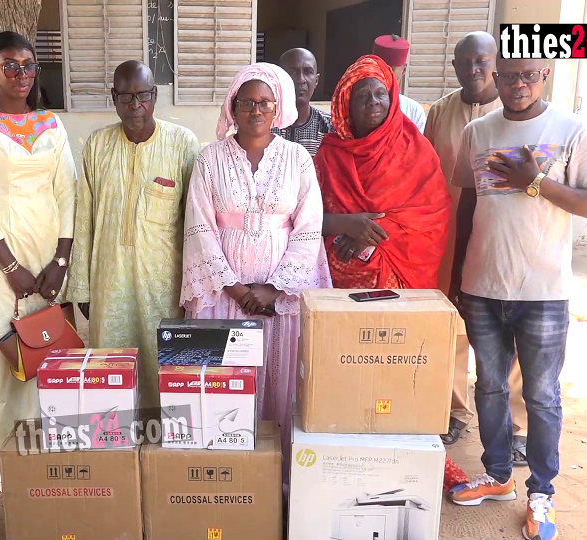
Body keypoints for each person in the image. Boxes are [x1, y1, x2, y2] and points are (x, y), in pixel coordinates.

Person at [448, 56, 587, 540]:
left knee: (541, 397)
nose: (518, 84)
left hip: (542, 290)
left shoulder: (572, 130)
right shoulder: (478, 131)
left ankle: (541, 492)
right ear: (494, 78)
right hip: (482, 284)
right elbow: (468, 203)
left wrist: (534, 182)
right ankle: (498, 477)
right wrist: (458, 276)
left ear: (545, 77)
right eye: (508, 75)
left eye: (528, 75)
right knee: (489, 388)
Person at [313, 54, 466, 493]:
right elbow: (307, 218)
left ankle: (417, 456)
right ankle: (347, 458)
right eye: (362, 96)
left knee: (402, 373)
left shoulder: (415, 148)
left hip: (401, 282)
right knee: (348, 373)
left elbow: (431, 216)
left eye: (381, 93)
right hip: (341, 289)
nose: (373, 101)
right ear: (344, 105)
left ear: (394, 96)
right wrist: (346, 225)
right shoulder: (328, 156)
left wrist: (371, 235)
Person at [180, 63, 332, 473]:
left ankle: (275, 478)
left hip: (277, 295)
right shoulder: (209, 159)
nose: (256, 110)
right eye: (246, 102)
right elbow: (198, 225)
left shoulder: (298, 158)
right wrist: (234, 288)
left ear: (277, 106)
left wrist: (275, 288)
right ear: (233, 107)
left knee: (276, 380)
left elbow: (309, 225)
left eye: (265, 102)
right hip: (222, 294)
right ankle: (225, 474)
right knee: (224, 380)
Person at [0, 31, 77, 490]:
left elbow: (68, 191)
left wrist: (60, 260)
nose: (21, 74)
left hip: (46, 252)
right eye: (10, 65)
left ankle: (53, 456)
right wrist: (10, 268)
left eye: (28, 65)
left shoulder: (50, 123)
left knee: (48, 350)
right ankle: (8, 471)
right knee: (0, 354)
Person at [66, 61, 200, 410]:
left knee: (164, 366)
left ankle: (162, 446)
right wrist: (82, 285)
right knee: (111, 368)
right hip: (108, 283)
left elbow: (194, 223)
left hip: (163, 286)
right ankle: (117, 448)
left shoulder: (182, 144)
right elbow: (84, 219)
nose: (135, 105)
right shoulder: (97, 145)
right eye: (125, 96)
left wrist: (192, 289)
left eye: (143, 95)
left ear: (154, 96)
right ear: (114, 98)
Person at [424, 31, 529, 461]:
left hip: (509, 236)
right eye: (464, 62)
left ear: (496, 63)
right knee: (451, 319)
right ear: (454, 67)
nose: (473, 70)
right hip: (449, 232)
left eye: (481, 62)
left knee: (517, 328)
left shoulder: (519, 112)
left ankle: (517, 425)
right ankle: (452, 409)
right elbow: (427, 170)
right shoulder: (440, 112)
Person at [272, 48, 333, 155]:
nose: (301, 79)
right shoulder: (267, 126)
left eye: (308, 72)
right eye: (293, 72)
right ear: (280, 79)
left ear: (316, 81)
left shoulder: (330, 127)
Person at [372, 34, 426, 133]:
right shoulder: (360, 106)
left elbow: (416, 146)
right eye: (379, 68)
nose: (383, 74)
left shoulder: (413, 111)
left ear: (404, 69)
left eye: (390, 69)